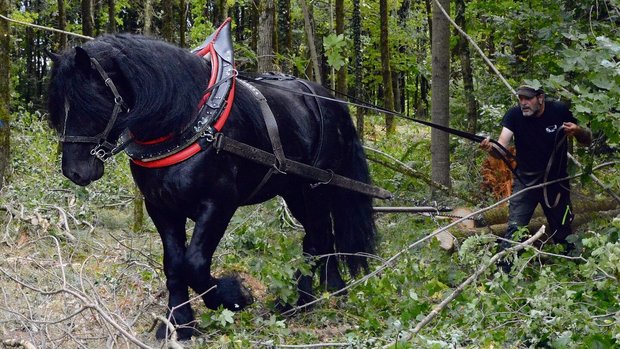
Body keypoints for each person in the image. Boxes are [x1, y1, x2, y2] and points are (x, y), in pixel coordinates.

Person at [480, 85, 592, 253]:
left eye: (528, 98)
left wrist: (577, 131)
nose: (523, 103)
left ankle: (572, 267)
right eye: (520, 99)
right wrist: (491, 149)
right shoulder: (514, 115)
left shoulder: (559, 110)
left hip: (556, 183)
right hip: (526, 182)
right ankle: (505, 272)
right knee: (514, 232)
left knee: (562, 231)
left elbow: (587, 140)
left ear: (540, 98)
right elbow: (501, 148)